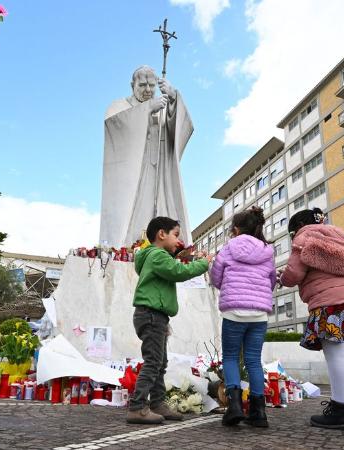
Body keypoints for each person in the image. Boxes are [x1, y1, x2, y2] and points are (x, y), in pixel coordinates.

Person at [279, 208, 344, 430]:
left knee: (335, 355)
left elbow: (294, 274)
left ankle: (340, 410)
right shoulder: (340, 237)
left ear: (297, 227)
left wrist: (281, 277)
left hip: (330, 303)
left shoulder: (305, 236)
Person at [126, 216, 212, 424]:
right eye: (176, 235)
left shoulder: (153, 256)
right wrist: (203, 263)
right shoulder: (157, 255)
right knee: (153, 362)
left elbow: (171, 269)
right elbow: (178, 271)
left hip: (156, 315)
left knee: (160, 362)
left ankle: (157, 404)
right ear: (161, 234)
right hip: (152, 315)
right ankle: (137, 407)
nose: (177, 241)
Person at [100, 66, 194, 247]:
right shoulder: (121, 106)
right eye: (142, 85)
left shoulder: (161, 107)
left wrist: (174, 98)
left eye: (152, 85)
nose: (148, 90)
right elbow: (113, 125)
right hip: (134, 173)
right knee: (134, 211)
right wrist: (147, 109)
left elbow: (181, 129)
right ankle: (128, 246)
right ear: (132, 85)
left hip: (159, 172)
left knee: (160, 209)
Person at [209, 206, 275, 427]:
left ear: (236, 230)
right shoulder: (267, 251)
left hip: (234, 312)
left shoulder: (228, 249)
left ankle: (235, 407)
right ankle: (259, 413)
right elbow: (272, 280)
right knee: (254, 360)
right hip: (259, 315)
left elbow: (216, 277)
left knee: (230, 358)